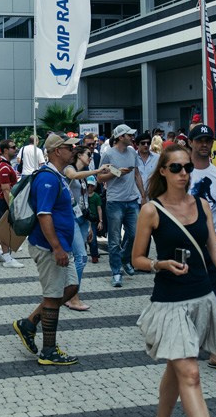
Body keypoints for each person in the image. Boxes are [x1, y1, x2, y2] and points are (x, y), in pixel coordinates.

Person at [132, 145, 216, 417]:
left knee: (178, 366)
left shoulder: (202, 205)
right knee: (191, 373)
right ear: (163, 171)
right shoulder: (151, 210)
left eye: (187, 168)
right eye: (176, 168)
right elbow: (137, 259)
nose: (183, 173)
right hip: (170, 303)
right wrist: (161, 264)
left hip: (202, 298)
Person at [12, 132, 82, 366]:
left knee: (71, 287)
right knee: (52, 297)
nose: (74, 150)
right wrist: (57, 248)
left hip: (60, 244)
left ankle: (29, 323)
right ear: (56, 151)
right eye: (69, 147)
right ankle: (48, 351)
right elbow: (44, 214)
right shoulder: (47, 178)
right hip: (50, 246)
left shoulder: (57, 175)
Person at [185, 125, 216, 375]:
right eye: (200, 140)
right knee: (185, 298)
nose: (204, 144)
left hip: (213, 245)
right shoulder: (180, 173)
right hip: (185, 246)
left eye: (208, 141)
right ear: (191, 143)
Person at [98, 124, 146, 287]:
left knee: (135, 234)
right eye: (128, 135)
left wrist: (143, 195)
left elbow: (137, 173)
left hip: (132, 200)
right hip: (115, 201)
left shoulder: (132, 151)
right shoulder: (108, 154)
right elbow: (100, 178)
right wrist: (117, 173)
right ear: (120, 137)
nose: (132, 137)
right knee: (114, 239)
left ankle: (125, 259)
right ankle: (116, 271)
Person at [63, 144, 105, 310]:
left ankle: (70, 292)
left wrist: (88, 225)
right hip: (71, 218)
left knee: (80, 258)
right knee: (80, 257)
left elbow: (85, 201)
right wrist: (96, 171)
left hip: (81, 219)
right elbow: (72, 174)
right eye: (88, 154)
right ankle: (72, 296)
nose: (90, 157)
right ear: (79, 155)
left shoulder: (82, 177)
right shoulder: (69, 170)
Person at [0, 140, 24, 268]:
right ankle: (7, 258)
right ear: (5, 150)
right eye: (13, 147)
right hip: (5, 200)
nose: (15, 149)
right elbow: (5, 189)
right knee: (6, 228)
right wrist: (11, 206)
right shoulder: (4, 166)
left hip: (3, 199)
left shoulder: (4, 165)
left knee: (2, 226)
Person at [134, 131, 159, 202]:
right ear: (137, 144)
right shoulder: (132, 157)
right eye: (143, 143)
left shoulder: (157, 158)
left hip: (153, 197)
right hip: (136, 198)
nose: (146, 145)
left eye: (148, 143)